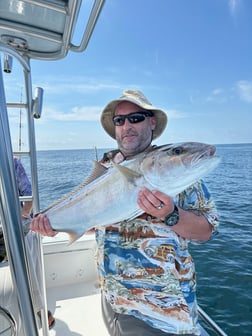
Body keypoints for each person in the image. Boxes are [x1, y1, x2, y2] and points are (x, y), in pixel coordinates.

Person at [31, 90, 219, 336]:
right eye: (119, 120)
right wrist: (54, 225)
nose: (126, 125)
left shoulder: (182, 179)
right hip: (111, 300)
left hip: (159, 313)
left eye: (136, 118)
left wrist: (172, 214)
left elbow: (206, 231)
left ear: (152, 122)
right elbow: (94, 223)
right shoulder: (107, 168)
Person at [0, 157, 55, 329]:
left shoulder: (12, 162)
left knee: (27, 244)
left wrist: (21, 215)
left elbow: (29, 197)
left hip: (14, 228)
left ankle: (39, 310)